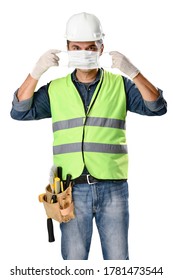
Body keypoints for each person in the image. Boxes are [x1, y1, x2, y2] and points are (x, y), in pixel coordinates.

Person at [10, 12, 167, 260]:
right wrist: (36, 72)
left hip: (113, 188)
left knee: (117, 264)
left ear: (101, 48)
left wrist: (133, 73)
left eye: (90, 47)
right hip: (70, 191)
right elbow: (19, 111)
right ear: (68, 49)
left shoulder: (120, 86)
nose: (84, 52)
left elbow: (157, 107)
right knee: (74, 265)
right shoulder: (56, 89)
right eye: (77, 47)